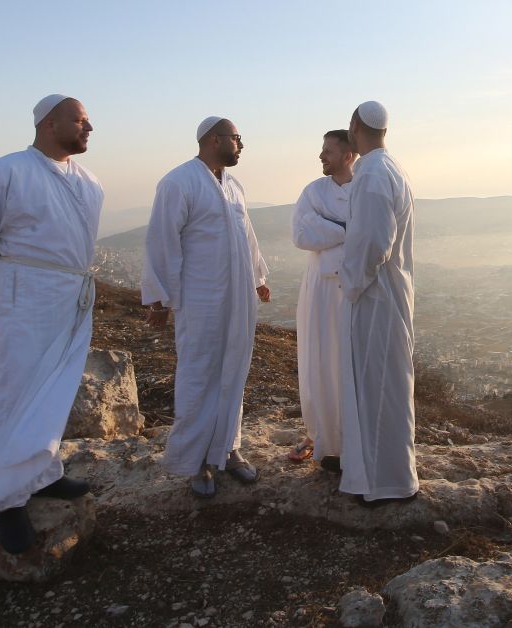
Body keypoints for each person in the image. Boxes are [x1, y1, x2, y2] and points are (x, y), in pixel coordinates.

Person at [0, 94, 105, 554]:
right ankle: (1, 497)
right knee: (11, 391)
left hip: (69, 298)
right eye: (80, 121)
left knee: (53, 391)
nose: (89, 128)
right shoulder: (4, 173)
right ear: (48, 123)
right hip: (22, 297)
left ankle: (40, 474)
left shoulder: (89, 182)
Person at [142, 117, 270, 498]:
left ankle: (228, 449)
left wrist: (258, 279)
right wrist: (160, 298)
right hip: (201, 298)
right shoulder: (178, 182)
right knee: (200, 374)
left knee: (234, 370)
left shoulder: (234, 186)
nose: (241, 145)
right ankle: (196, 461)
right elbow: (162, 240)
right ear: (214, 140)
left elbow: (247, 236)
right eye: (236, 138)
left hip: (238, 297)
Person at [338, 100, 418, 504]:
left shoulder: (370, 174)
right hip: (390, 292)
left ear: (355, 127)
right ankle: (386, 476)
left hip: (375, 295)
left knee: (375, 386)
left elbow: (372, 243)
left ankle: (378, 483)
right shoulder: (393, 168)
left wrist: (350, 284)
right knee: (388, 384)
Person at [289, 129, 356, 469]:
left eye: (327, 151)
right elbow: (302, 233)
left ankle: (352, 443)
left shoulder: (365, 189)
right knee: (319, 361)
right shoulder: (313, 191)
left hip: (356, 289)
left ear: (347, 155)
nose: (321, 156)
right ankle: (323, 438)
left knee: (348, 364)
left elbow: (376, 234)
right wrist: (347, 229)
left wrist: (328, 225)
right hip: (320, 289)